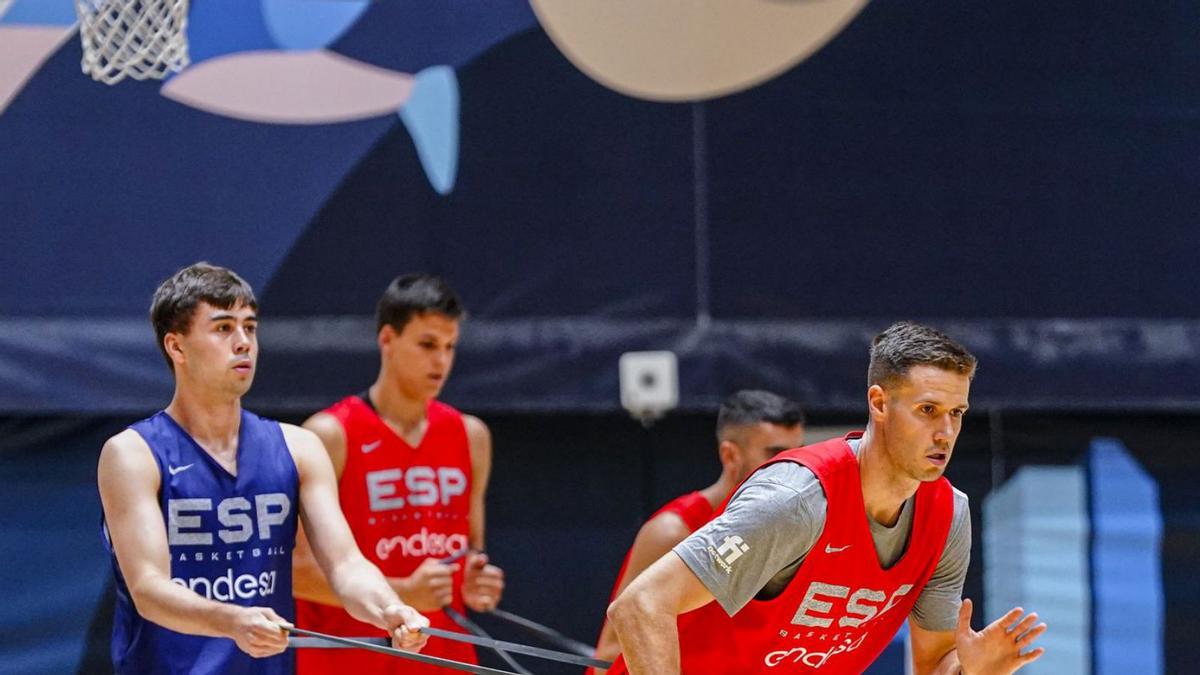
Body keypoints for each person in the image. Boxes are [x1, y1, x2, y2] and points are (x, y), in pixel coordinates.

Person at [607, 321, 1048, 674]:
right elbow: (640, 604)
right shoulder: (796, 500)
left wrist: (974, 673)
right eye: (927, 410)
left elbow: (933, 664)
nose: (945, 433)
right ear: (879, 403)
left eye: (957, 414)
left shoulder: (949, 516)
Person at [97, 262, 429, 675]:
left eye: (250, 327)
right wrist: (232, 619)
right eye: (223, 328)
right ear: (177, 347)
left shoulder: (299, 447)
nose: (243, 343)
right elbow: (148, 589)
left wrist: (390, 608)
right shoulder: (133, 454)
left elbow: (345, 564)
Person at [293, 273, 504, 674]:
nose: (441, 361)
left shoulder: (471, 435)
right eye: (427, 345)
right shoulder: (329, 434)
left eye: (449, 347)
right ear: (387, 340)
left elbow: (470, 550)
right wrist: (401, 593)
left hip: (447, 659)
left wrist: (476, 582)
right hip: (351, 661)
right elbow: (293, 572)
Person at [590, 390, 806, 670]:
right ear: (730, 455)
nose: (792, 469)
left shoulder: (791, 528)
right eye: (775, 456)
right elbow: (608, 654)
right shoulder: (673, 531)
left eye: (798, 455)